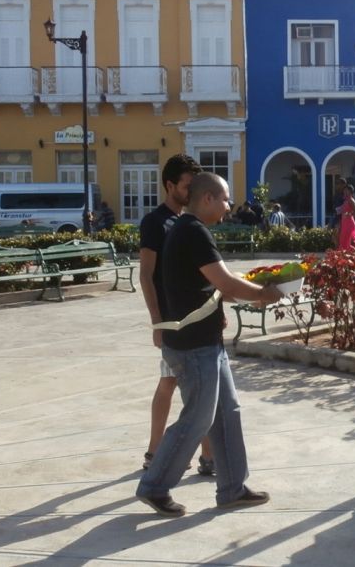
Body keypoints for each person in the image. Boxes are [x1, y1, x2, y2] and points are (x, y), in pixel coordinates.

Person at [136, 172, 282, 517]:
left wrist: (254, 293)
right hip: (193, 345)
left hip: (204, 341)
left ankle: (232, 488)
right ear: (207, 199)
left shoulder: (185, 230)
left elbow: (215, 288)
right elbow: (224, 280)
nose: (229, 206)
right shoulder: (193, 232)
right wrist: (264, 294)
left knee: (226, 414)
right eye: (225, 199)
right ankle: (154, 486)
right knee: (197, 420)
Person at [138, 154, 216, 476]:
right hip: (173, 320)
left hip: (195, 319)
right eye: (187, 185)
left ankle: (203, 456)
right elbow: (146, 274)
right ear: (170, 185)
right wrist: (157, 322)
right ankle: (158, 453)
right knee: (184, 386)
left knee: (187, 385)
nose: (191, 191)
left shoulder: (189, 222)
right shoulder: (155, 222)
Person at [337, 184, 355, 251]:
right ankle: (346, 257)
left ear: (351, 191)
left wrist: (348, 214)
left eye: (347, 190)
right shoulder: (346, 200)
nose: (345, 192)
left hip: (349, 223)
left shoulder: (351, 200)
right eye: (344, 190)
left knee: (347, 242)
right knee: (343, 242)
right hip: (344, 223)